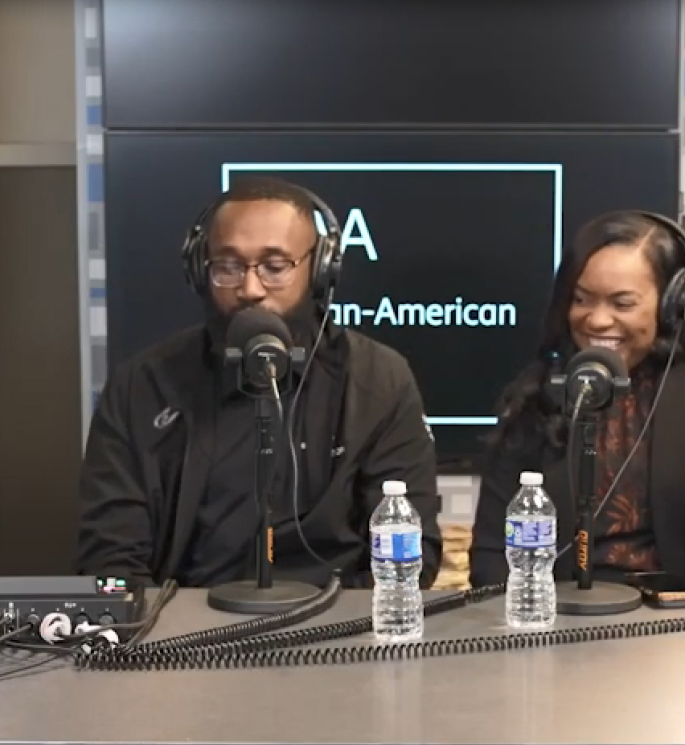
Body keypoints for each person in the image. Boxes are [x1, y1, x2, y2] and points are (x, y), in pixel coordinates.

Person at [77, 176, 442, 588]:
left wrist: (334, 634)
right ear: (199, 268)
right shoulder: (142, 386)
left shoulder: (379, 381)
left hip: (334, 634)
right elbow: (108, 560)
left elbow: (410, 556)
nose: (250, 289)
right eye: (228, 266)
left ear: (320, 270)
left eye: (275, 267)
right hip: (182, 634)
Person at [468, 210, 685, 589]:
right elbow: (491, 558)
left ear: (672, 307)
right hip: (553, 630)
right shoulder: (532, 401)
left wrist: (673, 638)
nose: (597, 320)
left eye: (622, 303)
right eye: (581, 299)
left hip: (680, 636)